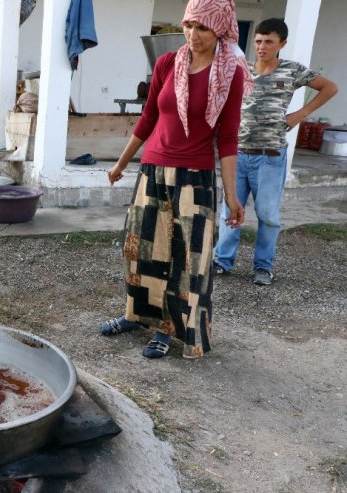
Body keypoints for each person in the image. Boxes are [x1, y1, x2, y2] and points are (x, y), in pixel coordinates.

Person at [98, 0, 250, 359]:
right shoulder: (168, 63)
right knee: (141, 251)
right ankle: (136, 315)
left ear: (221, 31)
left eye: (203, 28)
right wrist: (122, 163)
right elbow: (149, 117)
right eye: (189, 25)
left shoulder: (231, 73)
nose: (193, 35)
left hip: (194, 178)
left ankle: (170, 328)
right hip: (152, 170)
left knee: (185, 259)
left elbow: (227, 138)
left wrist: (231, 196)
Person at [214, 18, 339, 286]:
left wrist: (300, 114)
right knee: (229, 210)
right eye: (258, 41)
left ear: (281, 44)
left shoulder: (292, 71)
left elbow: (330, 87)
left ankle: (263, 267)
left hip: (270, 157)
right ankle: (222, 261)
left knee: (268, 215)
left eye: (269, 41)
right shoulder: (240, 69)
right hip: (237, 154)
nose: (262, 46)